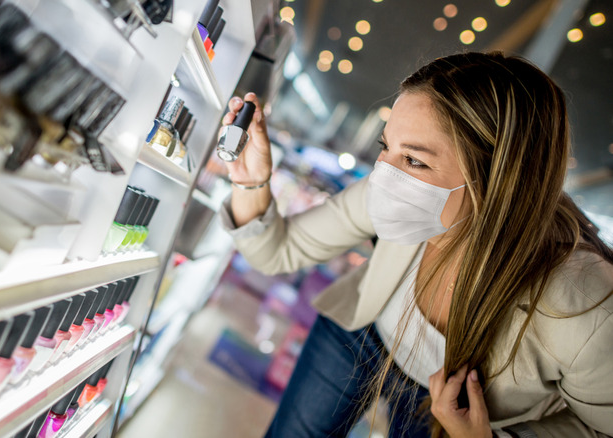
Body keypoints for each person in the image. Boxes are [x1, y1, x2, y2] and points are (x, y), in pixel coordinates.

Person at [218, 52, 613, 438]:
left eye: (415, 161)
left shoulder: (585, 305)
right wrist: (250, 181)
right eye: (385, 146)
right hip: (363, 333)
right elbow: (275, 251)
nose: (383, 176)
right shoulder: (394, 193)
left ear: (497, 180)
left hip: (457, 414)